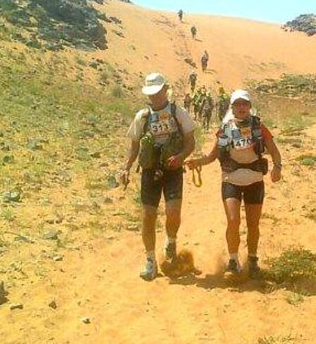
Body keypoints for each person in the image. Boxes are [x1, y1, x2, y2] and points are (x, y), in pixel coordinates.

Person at [186, 89, 282, 278]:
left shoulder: (259, 128)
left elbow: (274, 151)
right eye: (237, 104)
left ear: (250, 106)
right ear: (232, 107)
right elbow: (212, 156)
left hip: (255, 180)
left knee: (253, 224)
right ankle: (233, 261)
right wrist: (198, 162)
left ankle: (252, 260)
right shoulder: (225, 129)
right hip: (231, 180)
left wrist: (277, 167)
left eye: (244, 104)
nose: (241, 108)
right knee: (232, 221)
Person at [119, 72, 196, 281]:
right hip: (150, 171)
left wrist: (181, 157)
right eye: (151, 93)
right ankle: (151, 261)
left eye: (158, 92)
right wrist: (126, 167)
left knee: (173, 213)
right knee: (148, 216)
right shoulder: (142, 116)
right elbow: (134, 145)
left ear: (165, 90)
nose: (154, 96)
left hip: (173, 170)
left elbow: (190, 141)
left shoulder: (178, 113)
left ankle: (171, 241)